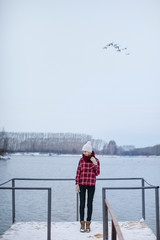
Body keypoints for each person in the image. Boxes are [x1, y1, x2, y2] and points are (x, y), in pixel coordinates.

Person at [75, 141, 100, 232]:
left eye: (85, 151)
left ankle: (88, 223)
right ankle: (82, 223)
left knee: (89, 204)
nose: (84, 153)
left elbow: (97, 173)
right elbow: (78, 173)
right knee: (82, 204)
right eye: (83, 151)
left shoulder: (95, 160)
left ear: (89, 152)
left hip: (91, 185)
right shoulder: (81, 160)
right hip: (82, 184)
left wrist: (94, 165)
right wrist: (77, 184)